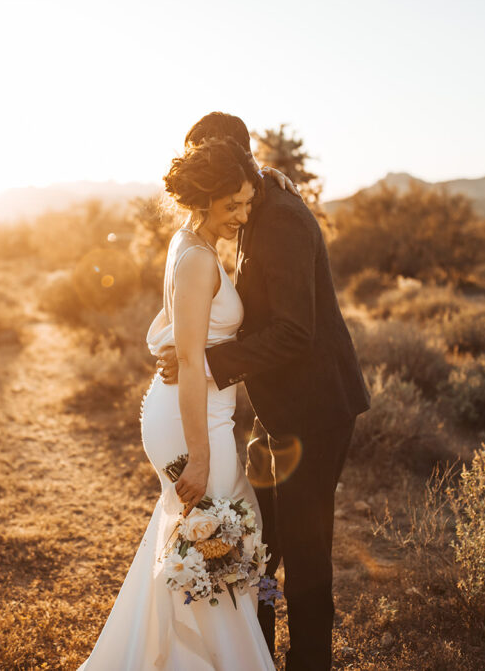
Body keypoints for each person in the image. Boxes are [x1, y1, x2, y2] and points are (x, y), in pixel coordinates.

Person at [156, 112, 370, 670]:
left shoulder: (283, 218)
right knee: (259, 548)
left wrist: (205, 362)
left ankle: (310, 663)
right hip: (274, 410)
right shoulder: (253, 197)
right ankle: (258, 654)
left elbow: (297, 331)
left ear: (234, 164)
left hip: (316, 410)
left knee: (303, 552)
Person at [78, 136, 285, 670]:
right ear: (205, 199)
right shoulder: (197, 261)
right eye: (232, 204)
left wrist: (277, 182)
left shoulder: (186, 241)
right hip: (194, 424)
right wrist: (199, 455)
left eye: (247, 201)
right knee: (219, 545)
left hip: (194, 414)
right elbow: (192, 362)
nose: (243, 213)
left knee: (206, 548)